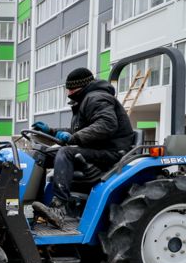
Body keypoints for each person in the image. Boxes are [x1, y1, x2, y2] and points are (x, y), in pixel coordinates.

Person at [31, 68, 134, 229]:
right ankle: (35, 207)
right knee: (42, 154)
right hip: (96, 150)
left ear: (82, 86)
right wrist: (50, 131)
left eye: (71, 89)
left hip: (112, 152)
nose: (69, 93)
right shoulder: (85, 100)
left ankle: (58, 210)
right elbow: (77, 131)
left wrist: (74, 138)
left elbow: (106, 124)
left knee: (66, 153)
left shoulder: (97, 98)